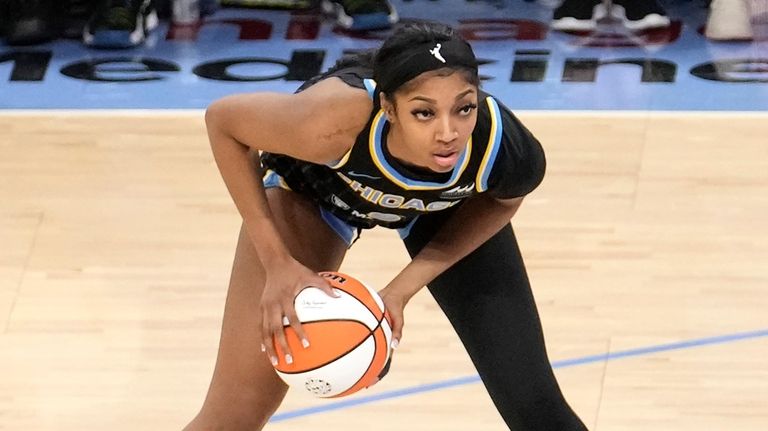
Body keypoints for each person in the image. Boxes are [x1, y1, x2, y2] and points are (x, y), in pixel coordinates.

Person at [184, 22, 588, 431]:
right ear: (389, 108)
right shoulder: (331, 120)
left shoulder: (501, 146)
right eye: (424, 112)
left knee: (536, 405)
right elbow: (223, 123)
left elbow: (504, 202)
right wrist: (277, 263)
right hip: (315, 194)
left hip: (441, 206)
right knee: (233, 415)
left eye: (464, 107)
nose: (448, 133)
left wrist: (400, 290)